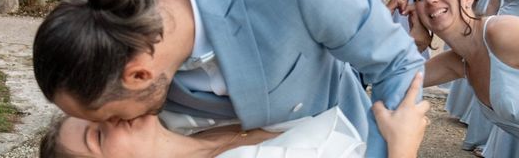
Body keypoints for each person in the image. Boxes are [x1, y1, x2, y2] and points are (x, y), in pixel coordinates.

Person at [33, 0, 425, 157]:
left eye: (113, 116)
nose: (122, 124)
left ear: (139, 75)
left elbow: (398, 63)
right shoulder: (129, 70)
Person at [39, 74, 429, 158]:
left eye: (97, 113)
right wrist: (404, 147)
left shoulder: (192, 109)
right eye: (98, 136)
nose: (110, 118)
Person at [410, 0, 519, 156]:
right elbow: (396, 78)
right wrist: (415, 44)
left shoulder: (502, 32)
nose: (431, 0)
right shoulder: (457, 62)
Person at [445, 0, 502, 151]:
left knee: (478, 51)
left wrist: (479, 2)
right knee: (460, 49)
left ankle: (474, 110)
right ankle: (459, 107)